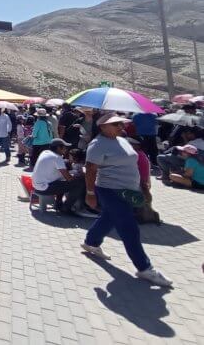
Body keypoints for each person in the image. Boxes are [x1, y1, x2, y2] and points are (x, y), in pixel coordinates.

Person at [81, 113, 172, 287]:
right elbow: (91, 169)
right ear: (103, 127)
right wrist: (90, 193)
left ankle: (91, 243)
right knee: (129, 228)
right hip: (109, 190)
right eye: (115, 124)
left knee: (108, 218)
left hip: (127, 190)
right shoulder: (97, 145)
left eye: (121, 124)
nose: (120, 127)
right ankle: (145, 268)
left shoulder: (122, 140)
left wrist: (143, 186)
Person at [31, 138, 88, 215]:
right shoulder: (57, 157)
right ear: (58, 148)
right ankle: (66, 208)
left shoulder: (45, 152)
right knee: (79, 184)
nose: (66, 149)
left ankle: (58, 203)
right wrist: (80, 176)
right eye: (64, 147)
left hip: (36, 186)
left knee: (62, 182)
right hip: (44, 188)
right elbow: (69, 178)